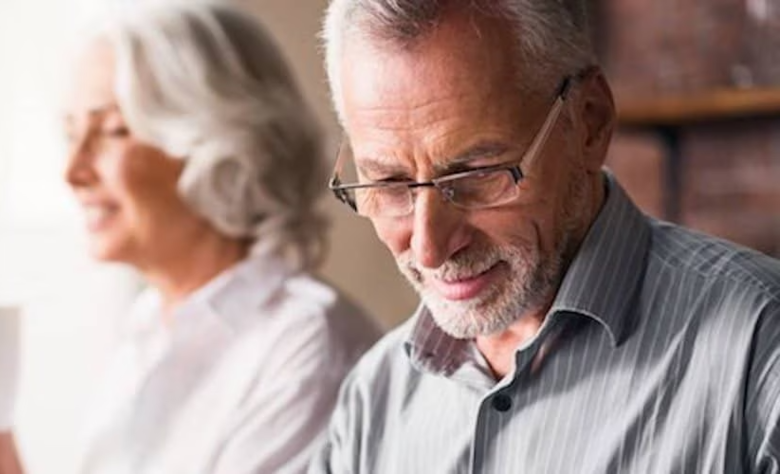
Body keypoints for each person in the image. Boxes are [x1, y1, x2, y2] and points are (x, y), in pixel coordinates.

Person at [0, 1, 381, 473]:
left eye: (112, 131)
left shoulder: (307, 351)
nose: (72, 172)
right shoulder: (151, 324)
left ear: (221, 142)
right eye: (71, 134)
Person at [310, 0, 780, 472]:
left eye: (477, 175)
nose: (429, 248)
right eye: (389, 184)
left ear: (590, 122)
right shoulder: (372, 401)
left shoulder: (760, 350)